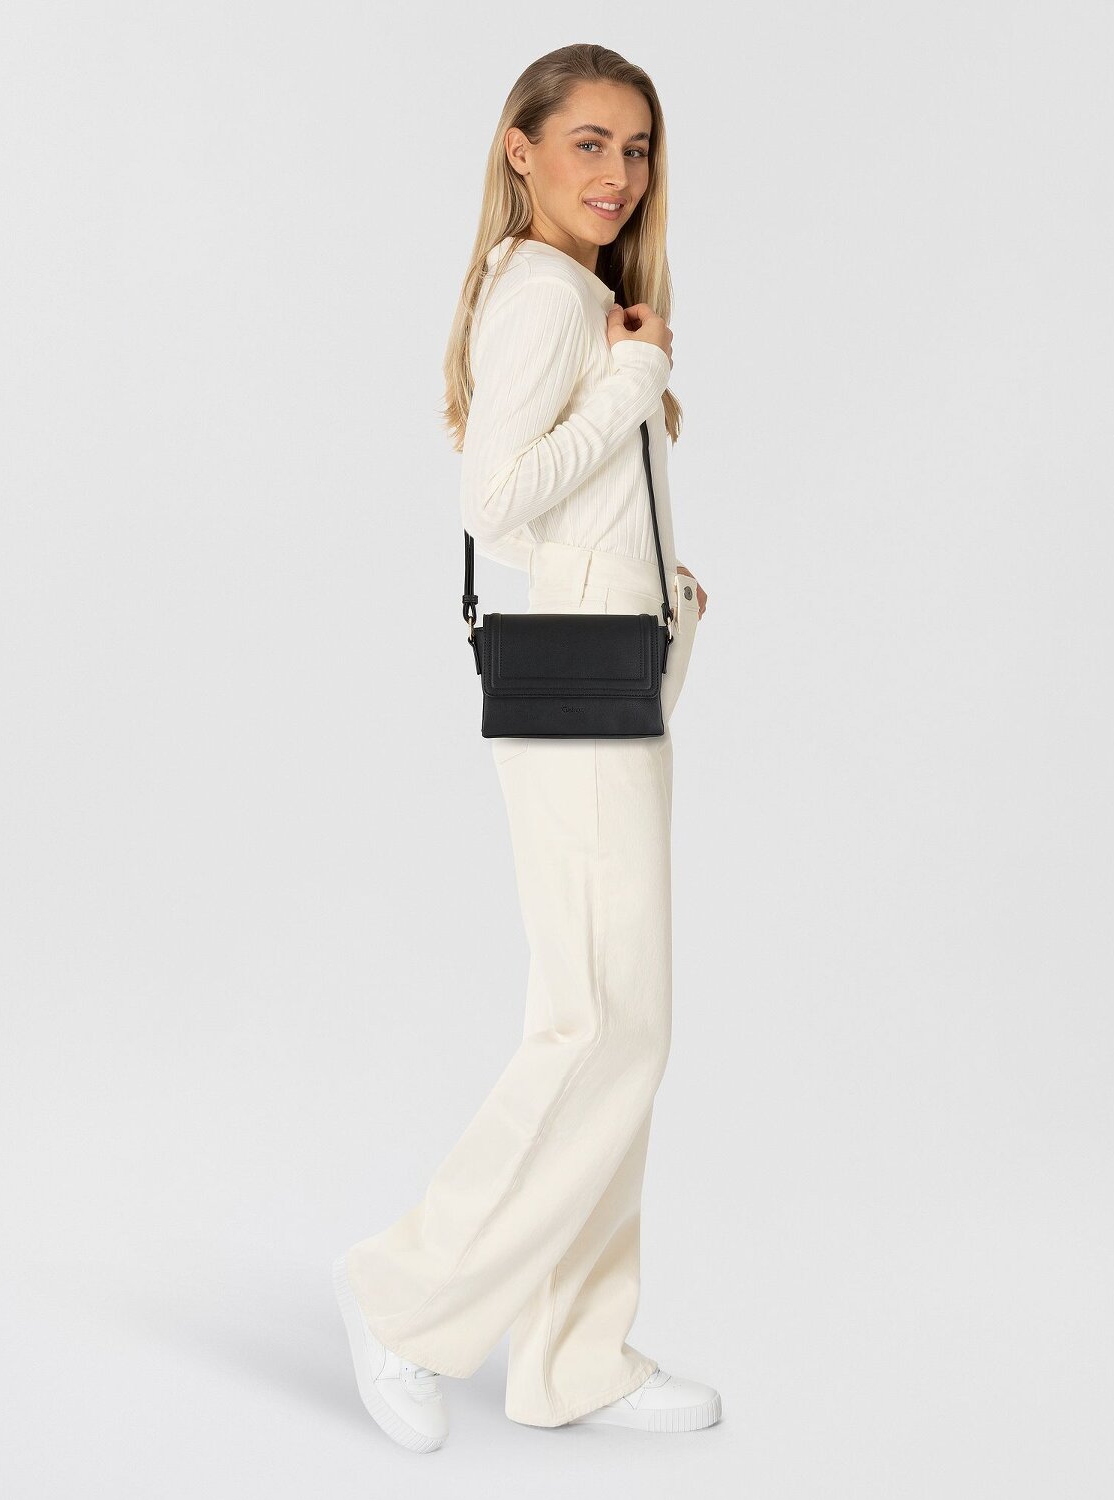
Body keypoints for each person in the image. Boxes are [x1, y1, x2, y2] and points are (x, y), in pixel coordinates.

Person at [333, 43, 716, 1452]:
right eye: (589, 144)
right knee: (601, 1025)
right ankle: (404, 1298)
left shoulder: (575, 293)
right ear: (521, 149)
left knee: (615, 1023)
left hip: (613, 670)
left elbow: (573, 506)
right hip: (578, 688)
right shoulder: (552, 298)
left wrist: (663, 583)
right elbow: (496, 501)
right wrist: (633, 383)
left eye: (637, 149)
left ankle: (574, 1356)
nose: (618, 175)